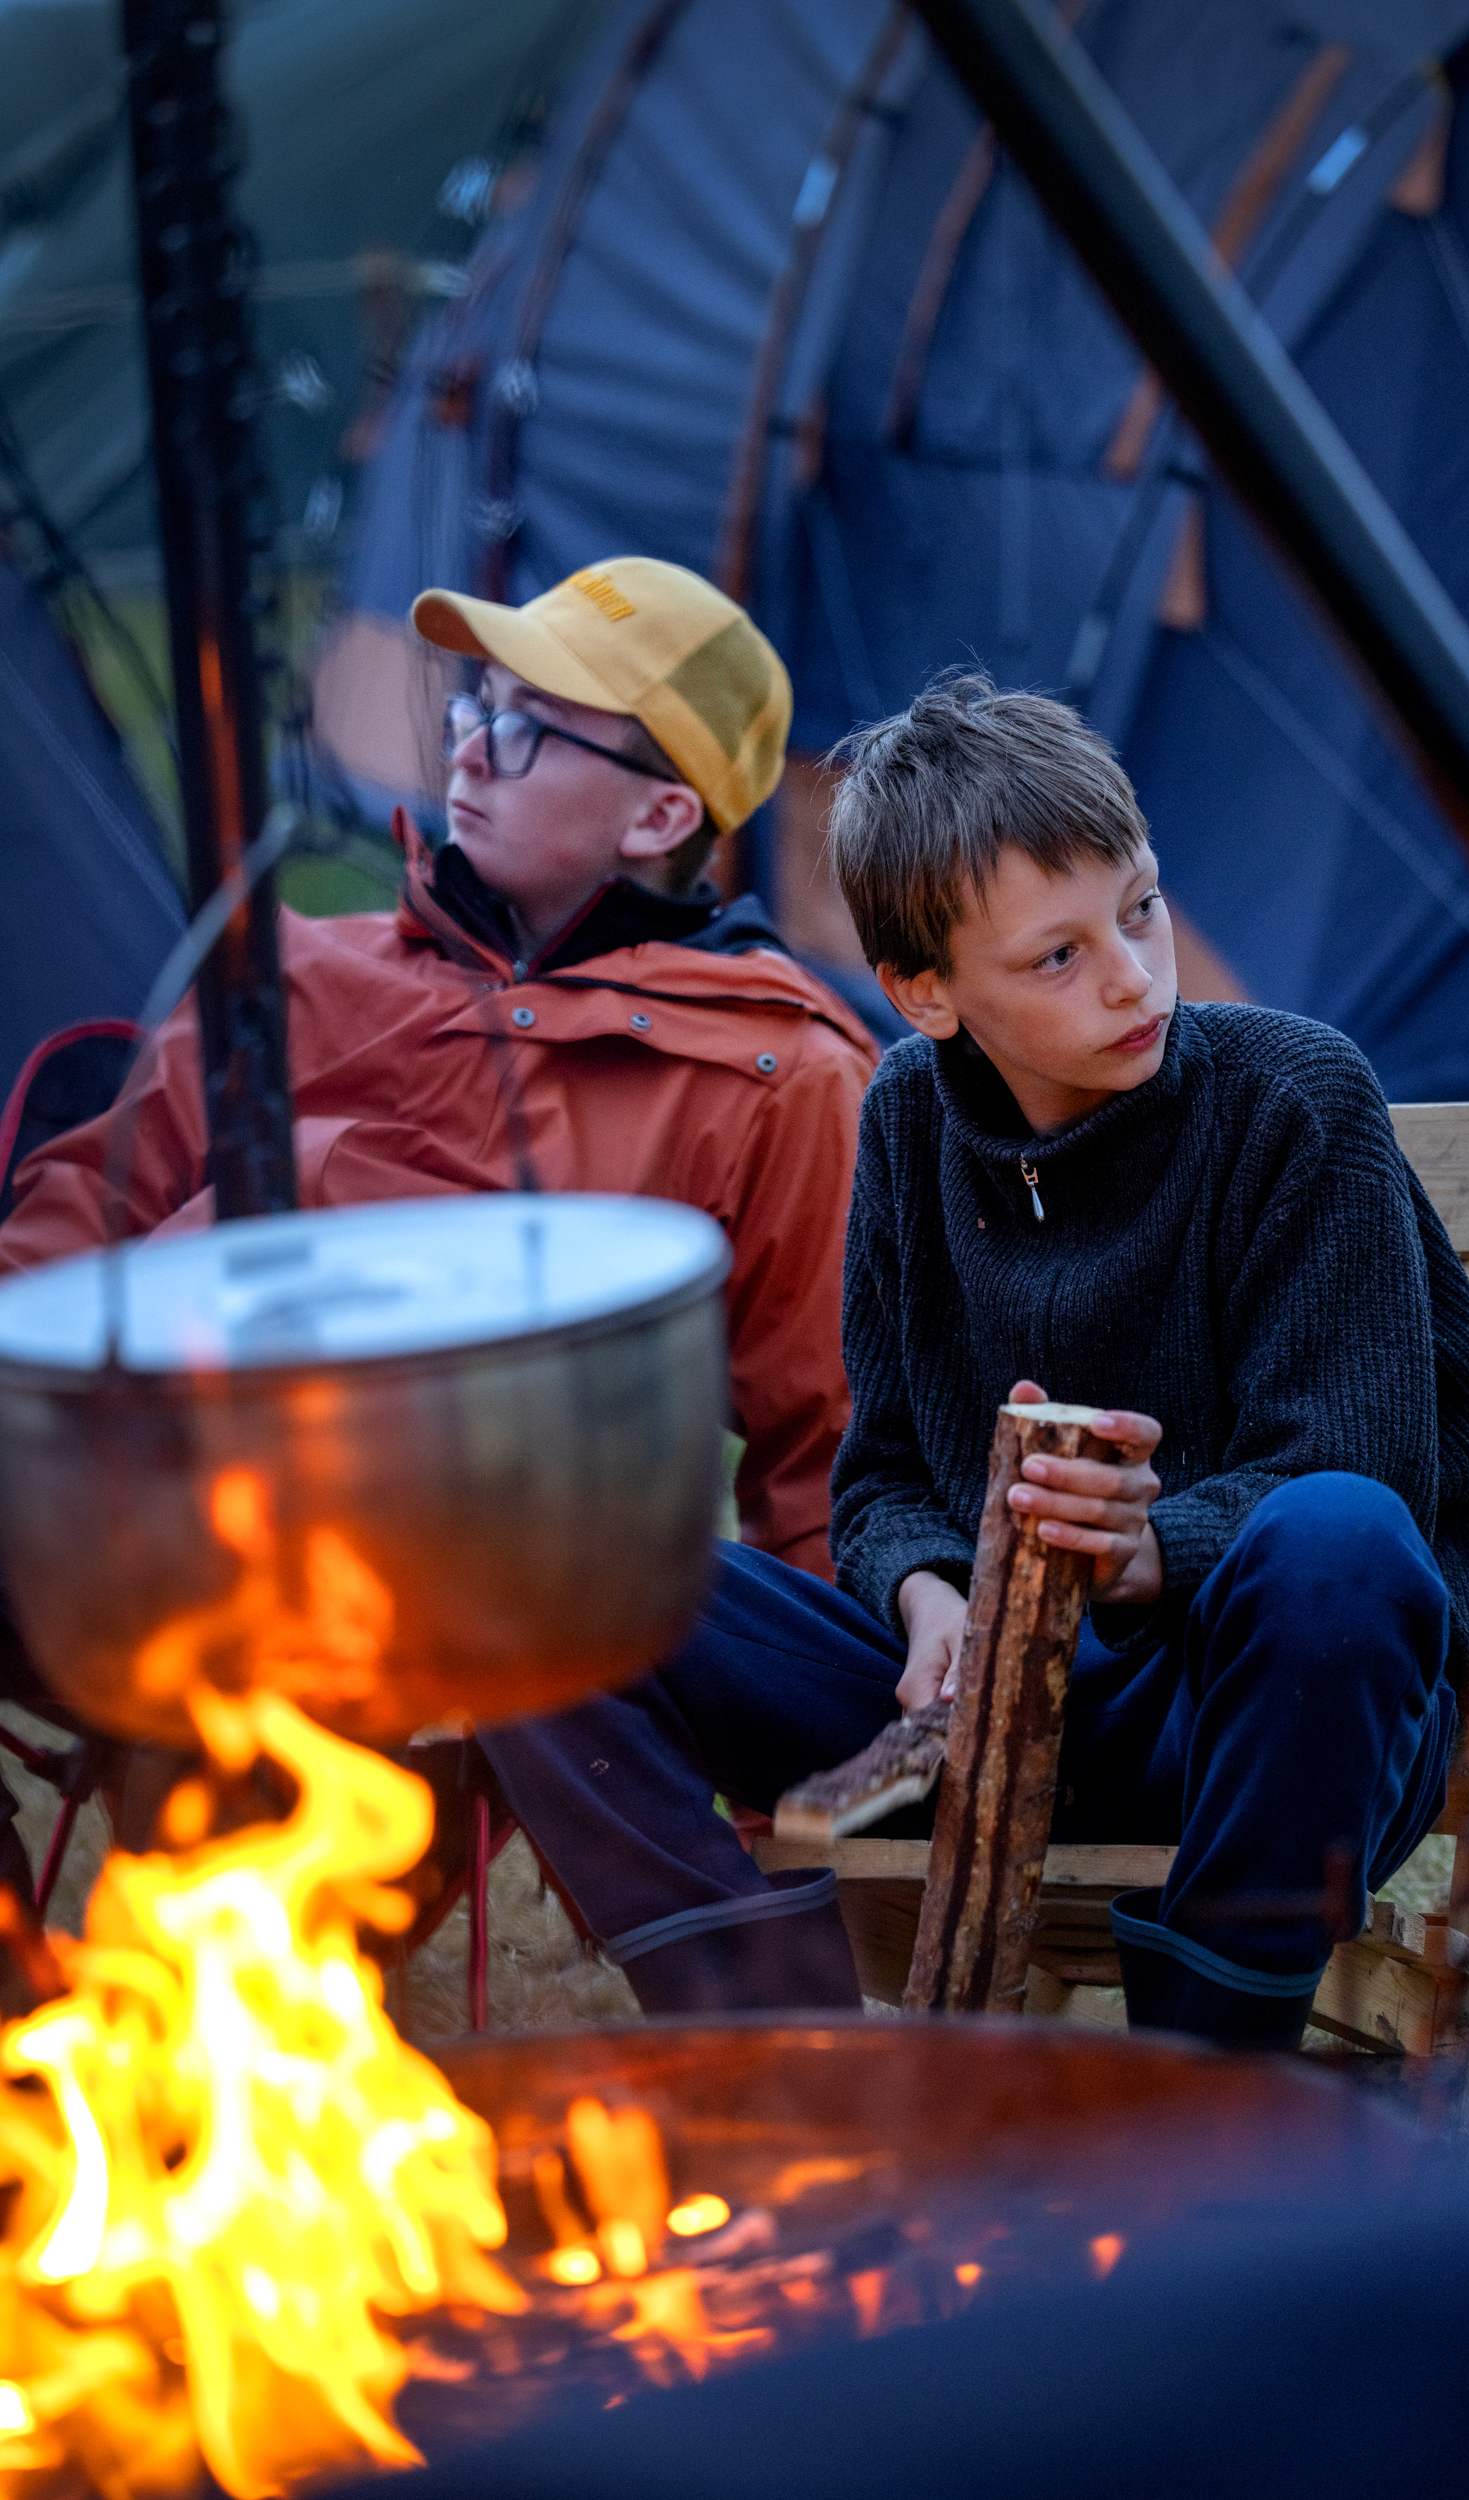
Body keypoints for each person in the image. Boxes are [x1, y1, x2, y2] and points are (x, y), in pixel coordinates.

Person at [480, 673, 1469, 2043]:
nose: (1134, 974)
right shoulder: (910, 1117)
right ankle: (773, 2047)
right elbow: (886, 1475)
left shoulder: (1295, 1099)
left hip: (1243, 1719)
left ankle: (1201, 2084)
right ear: (925, 995)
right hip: (971, 1717)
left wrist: (1149, 1551)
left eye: (1139, 907)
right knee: (519, 1578)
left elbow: (1362, 1461)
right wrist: (926, 1597)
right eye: (1056, 957)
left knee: (1339, 1533)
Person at [0, 563, 878, 1966]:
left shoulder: (775, 1076)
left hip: (433, 1572)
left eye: (531, 723)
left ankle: (768, 2065)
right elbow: (65, 1246)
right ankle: (53, 2065)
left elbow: (830, 1435)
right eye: (476, 700)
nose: (470, 739)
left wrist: (819, 1749)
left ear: (663, 813)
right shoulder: (293, 973)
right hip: (127, 1515)